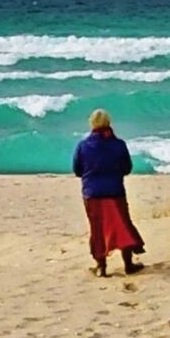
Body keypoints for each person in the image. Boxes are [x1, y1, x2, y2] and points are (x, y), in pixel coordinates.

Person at [72, 110, 145, 276]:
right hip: (115, 191)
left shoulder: (83, 145)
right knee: (122, 226)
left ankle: (101, 267)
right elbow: (127, 168)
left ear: (91, 123)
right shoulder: (118, 144)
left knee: (97, 230)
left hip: (92, 194)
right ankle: (128, 264)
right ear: (109, 123)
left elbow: (77, 170)